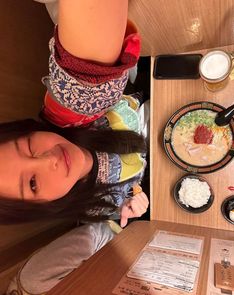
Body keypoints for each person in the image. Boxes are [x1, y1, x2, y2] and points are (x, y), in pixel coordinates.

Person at [0, 0, 149, 227]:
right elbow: (128, 194)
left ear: (30, 130)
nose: (50, 159)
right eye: (32, 183)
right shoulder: (91, 206)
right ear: (41, 206)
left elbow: (81, 82)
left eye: (29, 146)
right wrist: (129, 204)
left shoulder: (68, 116)